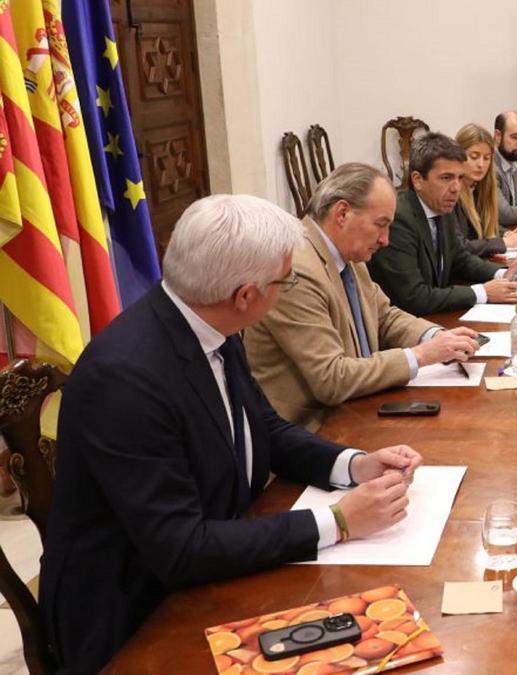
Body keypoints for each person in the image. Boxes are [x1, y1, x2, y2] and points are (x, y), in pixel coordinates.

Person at [40, 195, 423, 673]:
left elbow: (263, 427)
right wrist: (339, 522)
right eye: (283, 281)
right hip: (136, 617)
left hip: (211, 568)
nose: (284, 290)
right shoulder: (124, 379)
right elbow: (180, 548)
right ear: (246, 294)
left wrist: (354, 464)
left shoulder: (208, 322)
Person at [244, 163, 481, 431]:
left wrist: (436, 337)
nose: (385, 240)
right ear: (342, 213)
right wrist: (421, 355)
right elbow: (332, 378)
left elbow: (385, 315)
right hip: (312, 433)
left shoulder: (348, 252)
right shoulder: (296, 269)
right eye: (381, 225)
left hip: (356, 412)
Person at [368, 132, 517, 317]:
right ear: (417, 180)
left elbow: (461, 259)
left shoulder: (441, 207)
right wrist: (482, 293)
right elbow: (413, 297)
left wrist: (503, 275)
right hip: (404, 325)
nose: (456, 188)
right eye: (446, 178)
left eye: (460, 178)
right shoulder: (399, 219)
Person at [454, 123, 517, 257]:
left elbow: (485, 225)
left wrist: (507, 234)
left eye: (487, 158)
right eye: (474, 157)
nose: (481, 165)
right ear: (458, 156)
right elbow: (460, 247)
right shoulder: (451, 195)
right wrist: (503, 242)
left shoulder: (478, 187)